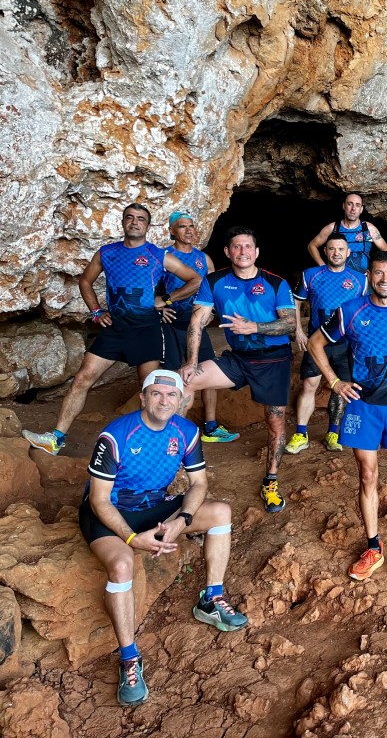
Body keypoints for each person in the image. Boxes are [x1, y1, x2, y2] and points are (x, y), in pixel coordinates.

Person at [79, 370, 247, 707]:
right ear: (143, 397)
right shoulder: (116, 435)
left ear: (182, 400)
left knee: (220, 513)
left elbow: (199, 484)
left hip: (154, 506)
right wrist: (131, 539)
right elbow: (99, 500)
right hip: (110, 512)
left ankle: (211, 600)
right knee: (122, 566)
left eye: (172, 395)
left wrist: (182, 521)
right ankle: (129, 658)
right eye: (156, 393)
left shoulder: (186, 432)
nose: (164, 400)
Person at [23, 204, 201, 455]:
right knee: (82, 378)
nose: (135, 222)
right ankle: (56, 439)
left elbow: (196, 280)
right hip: (115, 329)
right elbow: (85, 281)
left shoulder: (157, 255)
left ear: (148, 226)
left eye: (141, 219)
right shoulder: (107, 252)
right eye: (130, 217)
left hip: (146, 330)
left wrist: (167, 299)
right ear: (123, 222)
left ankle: (156, 446)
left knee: (150, 389)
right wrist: (96, 312)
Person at [307, 251, 387, 586]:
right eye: (379, 273)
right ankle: (373, 548)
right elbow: (314, 343)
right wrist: (334, 382)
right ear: (369, 276)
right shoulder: (351, 310)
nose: (385, 279)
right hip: (362, 406)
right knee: (367, 475)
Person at [179, 226, 296, 514]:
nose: (243, 251)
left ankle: (270, 481)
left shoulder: (275, 283)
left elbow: (290, 324)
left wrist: (254, 327)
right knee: (185, 382)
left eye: (248, 246)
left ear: (256, 252)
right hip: (238, 359)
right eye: (237, 246)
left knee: (275, 422)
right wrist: (191, 362)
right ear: (227, 252)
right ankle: (173, 464)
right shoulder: (214, 281)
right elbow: (197, 322)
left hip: (273, 360)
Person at [159, 211, 239, 443]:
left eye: (191, 226)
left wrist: (212, 312)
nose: (189, 230)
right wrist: (159, 308)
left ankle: (210, 428)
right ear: (172, 231)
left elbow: (214, 289)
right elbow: (150, 287)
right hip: (171, 322)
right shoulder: (164, 256)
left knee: (206, 369)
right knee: (172, 374)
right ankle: (167, 430)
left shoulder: (204, 259)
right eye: (182, 226)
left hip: (197, 324)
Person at [288, 233, 369, 455]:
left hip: (347, 344)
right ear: (325, 251)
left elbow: (366, 310)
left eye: (341, 249)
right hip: (317, 342)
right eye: (331, 248)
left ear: (348, 252)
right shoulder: (311, 274)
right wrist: (298, 330)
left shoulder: (360, 280)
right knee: (309, 385)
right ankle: (301, 434)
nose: (336, 253)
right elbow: (296, 302)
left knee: (342, 388)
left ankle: (333, 433)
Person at [306, 192, 387, 274]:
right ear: (344, 206)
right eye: (350, 204)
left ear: (361, 209)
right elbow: (312, 246)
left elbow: (385, 249)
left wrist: (375, 270)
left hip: (363, 278)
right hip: (337, 277)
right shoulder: (333, 228)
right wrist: (323, 266)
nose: (353, 208)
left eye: (357, 205)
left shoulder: (368, 228)